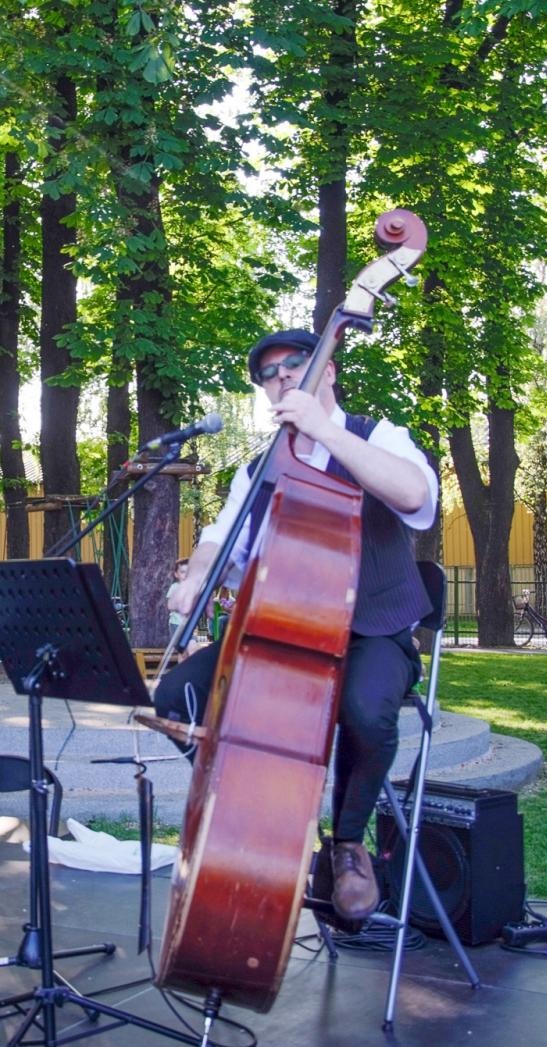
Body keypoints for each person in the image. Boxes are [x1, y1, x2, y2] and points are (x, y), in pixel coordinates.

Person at [160, 328, 438, 924]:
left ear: (328, 371)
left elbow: (418, 497)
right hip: (283, 631)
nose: (283, 377)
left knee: (366, 710)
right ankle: (268, 824)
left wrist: (325, 430)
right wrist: (195, 577)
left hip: (371, 628)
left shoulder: (373, 435)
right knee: (175, 696)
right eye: (270, 373)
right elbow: (220, 540)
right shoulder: (260, 468)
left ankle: (346, 845)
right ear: (263, 391)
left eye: (296, 365)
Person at [167, 558, 189, 638]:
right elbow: (170, 604)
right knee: (176, 644)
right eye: (183, 572)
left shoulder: (191, 588)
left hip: (187, 623)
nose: (186, 575)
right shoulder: (175, 587)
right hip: (176, 622)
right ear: (176, 574)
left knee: (188, 642)